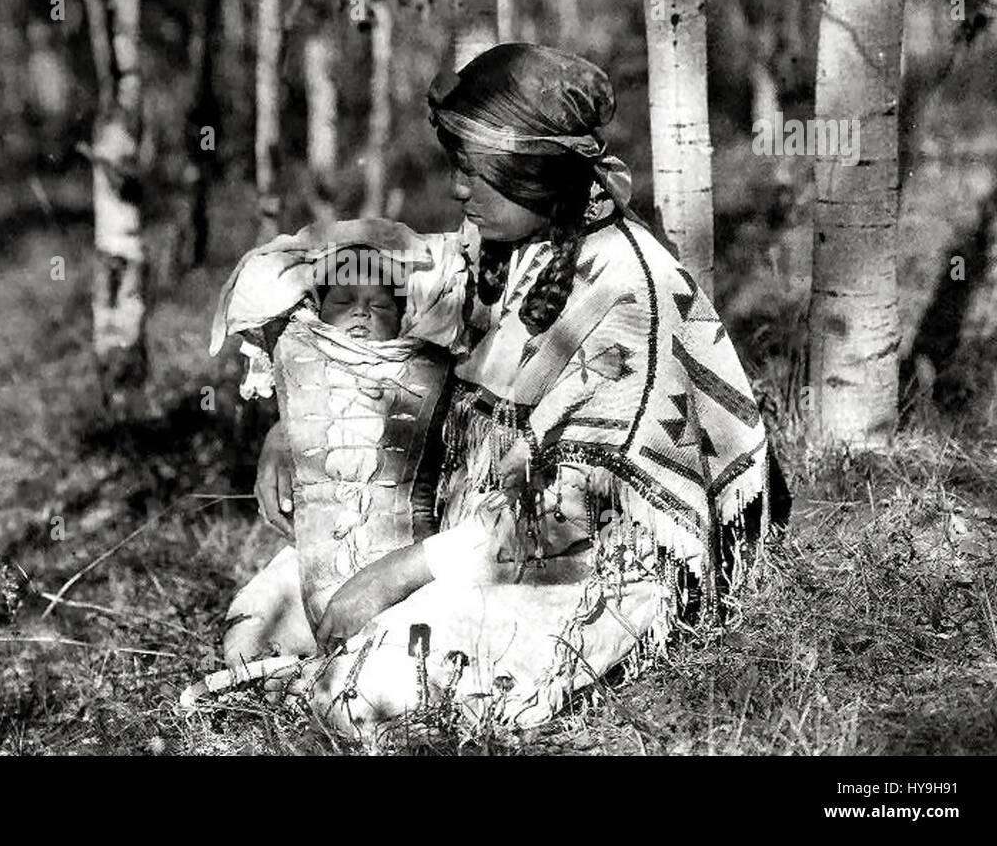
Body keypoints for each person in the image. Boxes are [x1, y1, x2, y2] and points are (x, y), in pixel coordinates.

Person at [241, 43, 778, 741]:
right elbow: (341, 278)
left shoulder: (631, 296)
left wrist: (399, 574)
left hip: (585, 571)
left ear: (532, 174)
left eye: (475, 172)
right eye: (457, 168)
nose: (457, 190)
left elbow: (576, 517)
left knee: (361, 689)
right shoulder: (504, 251)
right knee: (258, 626)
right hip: (471, 541)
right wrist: (291, 429)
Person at [208, 224, 468, 666]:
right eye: (343, 302)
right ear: (318, 311)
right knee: (246, 638)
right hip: (312, 564)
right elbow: (270, 277)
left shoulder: (426, 360)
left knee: (401, 658)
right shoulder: (299, 346)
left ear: (402, 317)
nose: (361, 313)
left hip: (404, 574)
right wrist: (280, 431)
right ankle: (300, 671)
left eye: (379, 305)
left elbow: (444, 283)